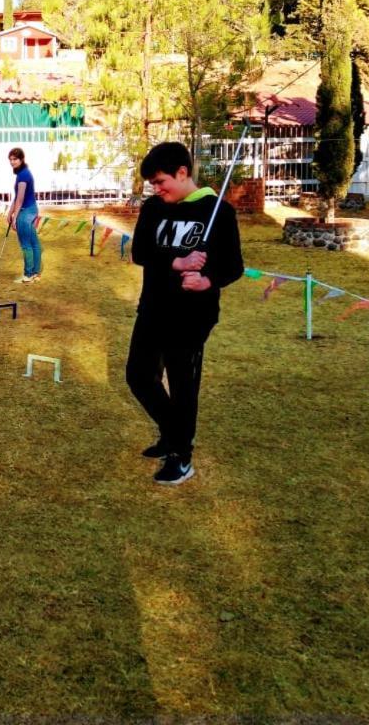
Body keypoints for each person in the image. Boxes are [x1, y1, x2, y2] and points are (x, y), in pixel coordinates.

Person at [127, 141, 244, 485]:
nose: (157, 190)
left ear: (182, 173)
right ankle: (171, 432)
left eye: (161, 182)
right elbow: (140, 252)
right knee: (139, 375)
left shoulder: (218, 212)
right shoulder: (153, 209)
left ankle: (181, 455)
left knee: (182, 386)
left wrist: (207, 281)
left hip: (191, 316)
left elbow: (234, 266)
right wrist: (176, 261)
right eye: (152, 185)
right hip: (152, 308)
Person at [6, 147, 42, 283]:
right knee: (34, 243)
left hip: (26, 211)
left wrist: (15, 218)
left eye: (15, 159)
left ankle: (28, 275)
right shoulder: (23, 173)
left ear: (21, 159)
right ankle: (36, 273)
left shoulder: (23, 176)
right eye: (10, 160)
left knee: (26, 244)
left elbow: (20, 199)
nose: (12, 162)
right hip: (31, 209)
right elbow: (17, 197)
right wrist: (10, 212)